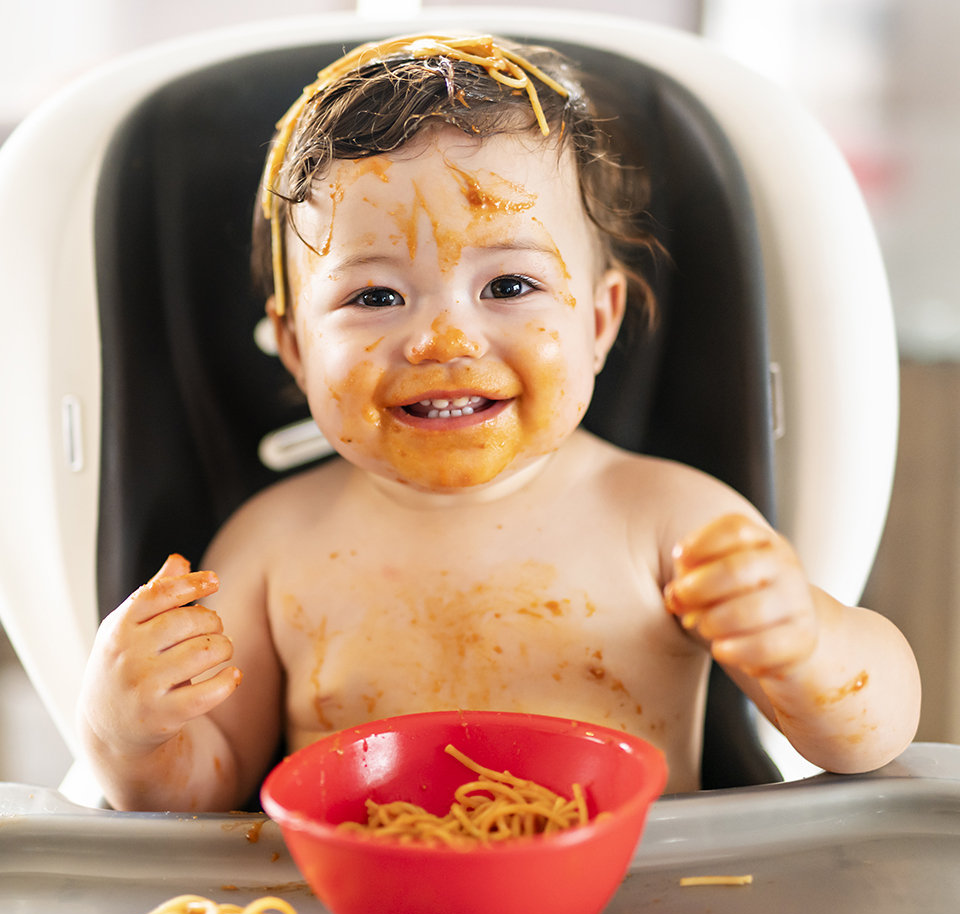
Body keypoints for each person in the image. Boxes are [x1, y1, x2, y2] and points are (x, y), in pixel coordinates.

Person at [77, 34, 921, 812]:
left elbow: (870, 737)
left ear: (597, 322)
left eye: (509, 287)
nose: (444, 340)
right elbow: (198, 805)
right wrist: (128, 733)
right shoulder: (269, 551)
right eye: (374, 297)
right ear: (295, 350)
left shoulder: (672, 523)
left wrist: (808, 646)